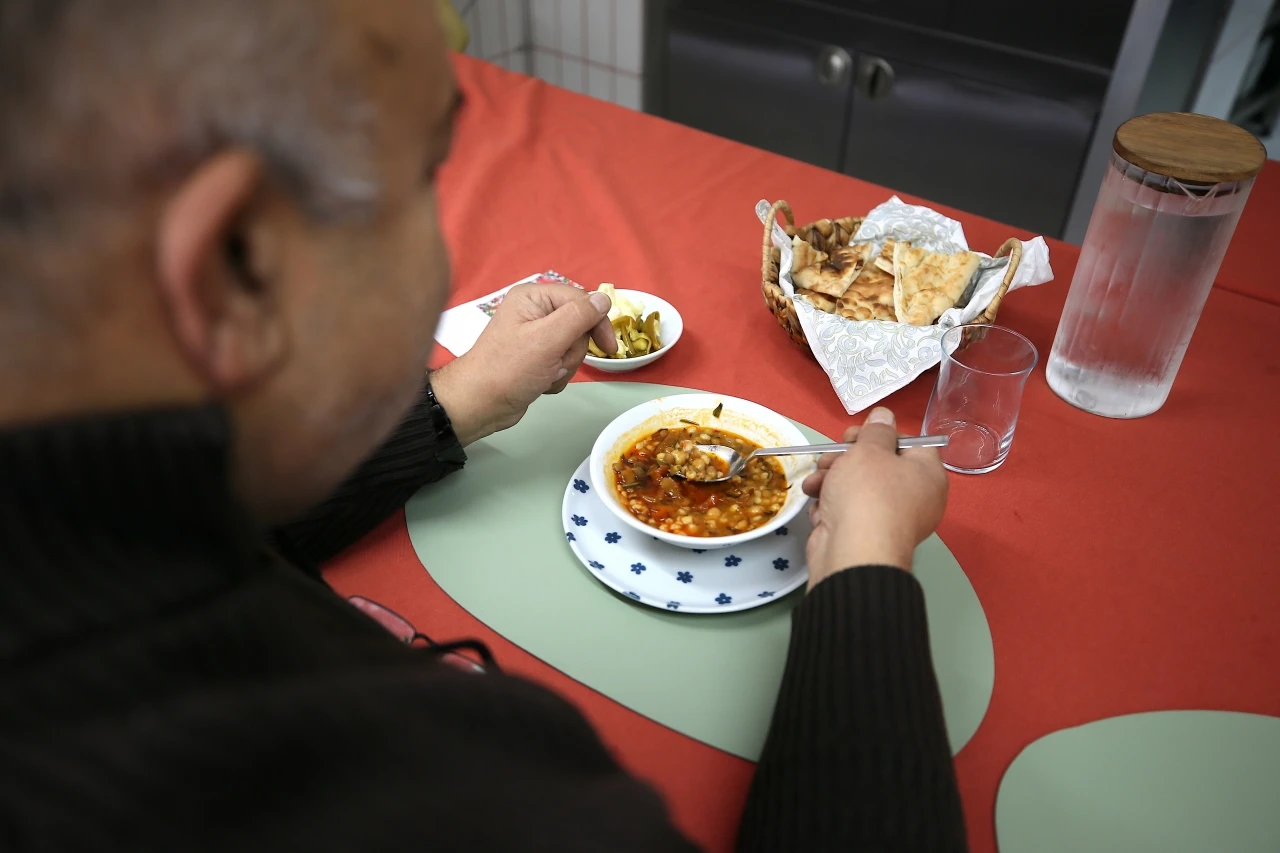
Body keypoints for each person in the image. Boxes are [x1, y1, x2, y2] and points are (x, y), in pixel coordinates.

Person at [0, 1, 965, 851]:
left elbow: (220, 519)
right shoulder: (449, 799)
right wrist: (868, 568)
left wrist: (459, 401)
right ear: (234, 270)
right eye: (427, 170)